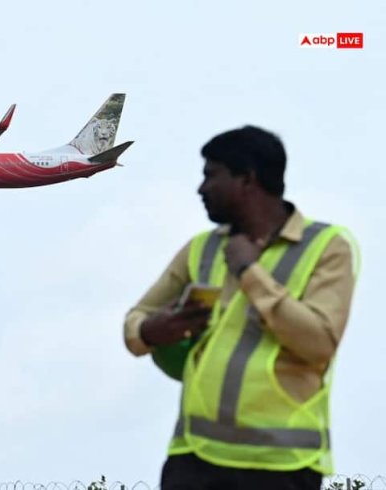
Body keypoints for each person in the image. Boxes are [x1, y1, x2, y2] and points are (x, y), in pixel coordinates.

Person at [123, 126, 360, 490]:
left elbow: (319, 342)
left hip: (282, 465)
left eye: (211, 176)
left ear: (246, 179)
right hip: (194, 459)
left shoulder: (328, 247)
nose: (201, 189)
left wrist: (249, 272)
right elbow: (135, 323)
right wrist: (152, 330)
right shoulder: (200, 249)